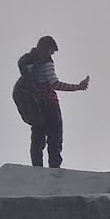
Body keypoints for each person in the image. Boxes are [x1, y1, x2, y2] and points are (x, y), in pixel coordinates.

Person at [16, 35, 89, 169]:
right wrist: (78, 87)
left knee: (37, 139)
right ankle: (54, 169)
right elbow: (54, 83)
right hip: (50, 104)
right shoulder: (46, 61)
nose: (52, 53)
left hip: (35, 105)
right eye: (52, 50)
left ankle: (37, 168)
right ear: (46, 48)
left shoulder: (27, 62)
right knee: (54, 138)